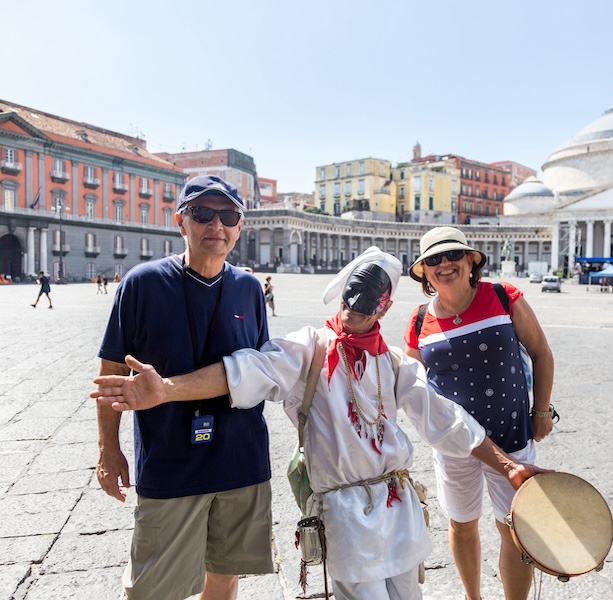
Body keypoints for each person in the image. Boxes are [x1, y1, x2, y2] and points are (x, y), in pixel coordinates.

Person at [92, 247, 549, 600]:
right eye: (357, 289)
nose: (361, 302)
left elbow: (448, 421)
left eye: (374, 295)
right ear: (343, 289)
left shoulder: (392, 364)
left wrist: (506, 464)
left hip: (400, 512)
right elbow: (243, 370)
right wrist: (169, 389)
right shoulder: (307, 350)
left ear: (385, 306)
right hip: (347, 518)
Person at [93, 174, 273, 600]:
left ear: (240, 226)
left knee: (225, 576)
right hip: (170, 462)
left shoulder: (248, 288)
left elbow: (265, 367)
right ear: (181, 221)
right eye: (203, 213)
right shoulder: (142, 283)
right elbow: (109, 374)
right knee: (151, 589)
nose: (217, 225)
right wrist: (108, 448)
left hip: (240, 461)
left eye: (229, 215)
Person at [404, 226, 556, 600]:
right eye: (434, 260)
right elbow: (413, 387)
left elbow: (541, 353)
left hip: (511, 434)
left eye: (453, 255)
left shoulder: (504, 297)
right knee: (462, 524)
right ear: (424, 271)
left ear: (472, 260)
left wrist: (541, 411)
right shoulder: (419, 319)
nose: (445, 264)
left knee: (515, 528)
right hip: (455, 444)